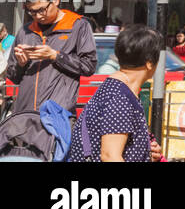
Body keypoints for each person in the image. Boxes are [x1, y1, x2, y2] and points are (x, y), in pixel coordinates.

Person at [68, 25, 165, 163]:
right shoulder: (119, 97)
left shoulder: (118, 89)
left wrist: (145, 150)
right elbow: (110, 156)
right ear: (149, 63)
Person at [4, 0, 97, 115]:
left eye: (41, 10)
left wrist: (55, 56)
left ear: (56, 0)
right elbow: (13, 78)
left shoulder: (77, 26)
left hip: (57, 113)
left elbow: (88, 66)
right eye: (32, 12)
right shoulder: (25, 31)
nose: (38, 16)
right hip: (25, 114)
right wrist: (21, 64)